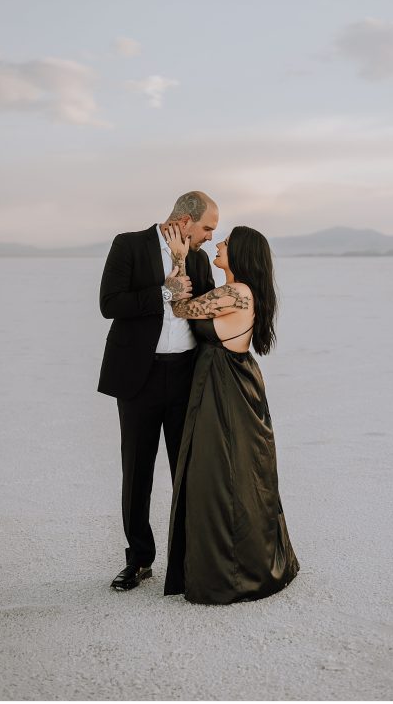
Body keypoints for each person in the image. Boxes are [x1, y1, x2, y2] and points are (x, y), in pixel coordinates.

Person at [161, 224, 299, 604]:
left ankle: (233, 572)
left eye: (227, 242)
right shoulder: (238, 292)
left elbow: (180, 307)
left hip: (225, 387)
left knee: (221, 475)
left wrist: (177, 258)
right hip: (229, 379)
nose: (219, 242)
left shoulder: (237, 293)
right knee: (231, 472)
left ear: (240, 255)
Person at [98, 191, 219, 591]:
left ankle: (185, 563)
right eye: (207, 228)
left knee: (185, 471)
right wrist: (164, 292)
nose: (209, 236)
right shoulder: (129, 245)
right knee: (137, 472)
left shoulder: (200, 260)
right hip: (139, 377)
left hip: (185, 376)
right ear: (185, 221)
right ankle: (139, 561)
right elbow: (109, 303)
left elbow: (205, 314)